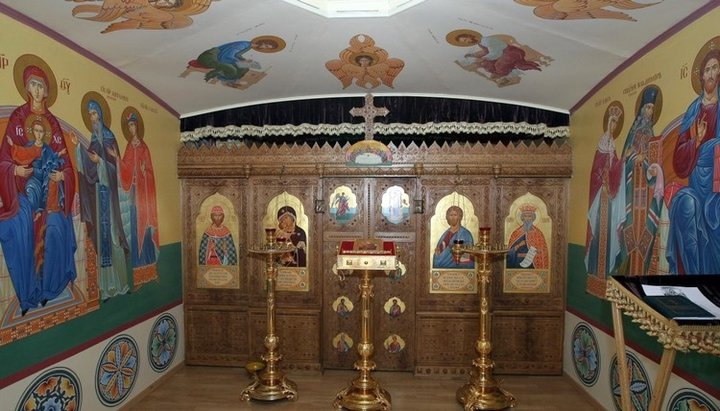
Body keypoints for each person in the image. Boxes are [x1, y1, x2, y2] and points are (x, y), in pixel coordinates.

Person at [0, 63, 76, 315]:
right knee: (21, 224)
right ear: (26, 87)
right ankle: (29, 293)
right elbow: (6, 159)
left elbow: (66, 166)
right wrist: (15, 171)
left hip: (51, 193)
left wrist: (61, 175)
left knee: (57, 226)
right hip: (23, 191)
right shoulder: (18, 117)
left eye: (40, 85)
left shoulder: (53, 123)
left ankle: (50, 288)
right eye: (32, 84)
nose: (36, 89)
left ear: (46, 91)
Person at [666, 48, 720, 274]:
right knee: (685, 206)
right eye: (707, 70)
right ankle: (692, 279)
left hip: (717, 187)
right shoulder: (693, 110)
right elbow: (678, 162)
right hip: (697, 183)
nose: (710, 74)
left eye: (715, 68)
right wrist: (696, 142)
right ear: (701, 76)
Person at [77, 98, 129, 300]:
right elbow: (89, 168)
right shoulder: (93, 140)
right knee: (103, 239)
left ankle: (122, 284)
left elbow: (117, 170)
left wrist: (104, 160)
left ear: (101, 115)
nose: (93, 118)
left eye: (95, 114)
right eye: (90, 115)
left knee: (114, 238)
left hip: (111, 197)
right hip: (99, 200)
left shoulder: (109, 138)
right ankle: (107, 289)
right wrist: (79, 150)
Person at [618, 85, 661, 275]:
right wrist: (635, 157)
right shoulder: (634, 133)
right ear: (642, 110)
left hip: (645, 188)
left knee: (644, 227)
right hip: (632, 187)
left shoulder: (651, 134)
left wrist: (651, 167)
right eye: (648, 107)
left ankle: (640, 270)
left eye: (652, 108)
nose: (650, 111)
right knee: (630, 224)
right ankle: (627, 266)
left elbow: (654, 161)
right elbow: (625, 160)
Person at [119, 111, 160, 288]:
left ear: (137, 127)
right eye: (129, 126)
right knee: (136, 232)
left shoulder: (144, 148)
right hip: (133, 194)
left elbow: (150, 172)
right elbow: (125, 168)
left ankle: (151, 271)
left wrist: (145, 172)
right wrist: (116, 159)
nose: (131, 128)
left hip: (144, 195)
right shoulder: (129, 147)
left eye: (133, 125)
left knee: (146, 230)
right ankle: (138, 277)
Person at [585, 104, 624, 279]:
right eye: (612, 122)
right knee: (598, 232)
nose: (614, 126)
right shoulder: (602, 144)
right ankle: (595, 269)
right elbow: (595, 171)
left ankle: (604, 271)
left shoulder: (613, 146)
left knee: (607, 232)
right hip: (600, 195)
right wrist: (603, 179)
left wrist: (623, 160)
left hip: (608, 196)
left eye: (616, 123)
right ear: (608, 123)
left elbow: (615, 169)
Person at [507, 204, 549, 269]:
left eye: (529, 216)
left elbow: (543, 251)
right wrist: (519, 245)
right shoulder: (516, 232)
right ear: (522, 218)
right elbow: (509, 252)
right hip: (518, 262)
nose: (527, 219)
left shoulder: (538, 233)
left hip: (533, 263)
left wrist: (538, 251)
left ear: (533, 218)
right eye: (525, 216)